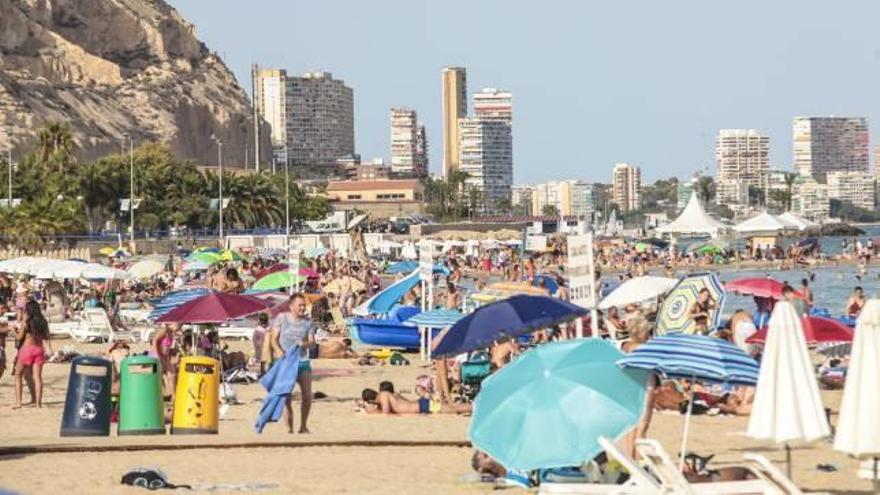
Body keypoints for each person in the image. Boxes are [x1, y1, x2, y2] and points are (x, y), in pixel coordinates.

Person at [272, 293, 316, 433]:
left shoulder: (308, 322)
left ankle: (303, 426)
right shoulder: (282, 318)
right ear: (291, 306)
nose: (303, 308)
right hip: (285, 362)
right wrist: (278, 350)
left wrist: (305, 344)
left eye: (304, 305)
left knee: (307, 396)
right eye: (300, 305)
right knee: (286, 397)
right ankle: (289, 429)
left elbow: (313, 343)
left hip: (302, 362)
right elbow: (273, 339)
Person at [14, 300, 51, 408]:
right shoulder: (43, 321)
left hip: (27, 349)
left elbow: (19, 337)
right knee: (37, 377)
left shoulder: (26, 321)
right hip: (39, 349)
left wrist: (14, 330)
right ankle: (38, 404)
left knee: (18, 375)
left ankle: (18, 402)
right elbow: (47, 337)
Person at [359, 388, 472, 415]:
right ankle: (474, 406)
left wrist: (366, 413)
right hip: (421, 404)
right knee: (452, 407)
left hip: (423, 406)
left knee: (453, 409)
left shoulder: (383, 396)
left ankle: (475, 407)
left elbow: (385, 414)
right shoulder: (385, 395)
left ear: (370, 400)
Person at [150, 323, 179, 398]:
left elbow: (167, 348)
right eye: (177, 324)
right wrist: (156, 355)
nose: (179, 326)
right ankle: (155, 395)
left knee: (172, 375)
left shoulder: (171, 333)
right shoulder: (164, 330)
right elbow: (155, 340)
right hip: (156, 356)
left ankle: (173, 395)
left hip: (164, 357)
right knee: (156, 376)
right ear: (171, 324)